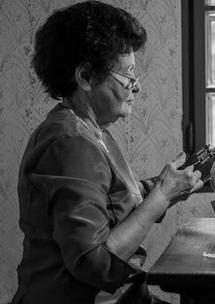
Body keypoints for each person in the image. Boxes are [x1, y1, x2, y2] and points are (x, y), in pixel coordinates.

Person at [11, 1, 203, 303]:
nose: (136, 88)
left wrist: (169, 186)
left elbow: (112, 203)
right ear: (86, 77)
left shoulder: (90, 131)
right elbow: (95, 263)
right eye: (128, 76)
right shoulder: (71, 144)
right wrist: (161, 197)